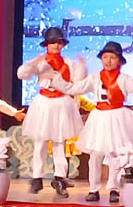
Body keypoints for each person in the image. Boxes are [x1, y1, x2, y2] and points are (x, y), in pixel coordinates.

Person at [62, 41, 133, 204]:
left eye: (112, 57)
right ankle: (93, 189)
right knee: (95, 155)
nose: (108, 61)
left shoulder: (123, 79)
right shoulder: (95, 78)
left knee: (116, 154)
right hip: (99, 117)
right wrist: (58, 82)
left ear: (119, 60)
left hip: (117, 116)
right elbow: (78, 87)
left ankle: (114, 188)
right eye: (105, 57)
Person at [17, 26, 86, 198]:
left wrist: (82, 68)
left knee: (59, 143)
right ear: (47, 44)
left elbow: (77, 82)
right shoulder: (41, 62)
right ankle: (37, 177)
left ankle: (60, 177)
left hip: (61, 103)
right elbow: (22, 74)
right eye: (53, 42)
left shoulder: (69, 63)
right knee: (40, 141)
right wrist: (32, 64)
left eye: (59, 42)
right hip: (44, 103)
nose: (56, 45)